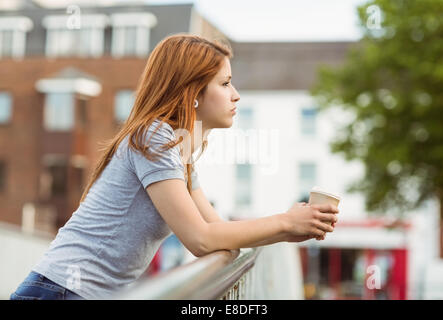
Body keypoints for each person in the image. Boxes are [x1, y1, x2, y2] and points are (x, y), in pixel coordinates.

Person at [10, 33, 338, 300]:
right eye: (225, 84)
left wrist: (289, 229)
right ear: (193, 92)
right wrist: (284, 222)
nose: (236, 95)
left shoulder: (181, 152)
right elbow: (201, 239)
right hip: (59, 291)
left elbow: (221, 234)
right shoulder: (153, 137)